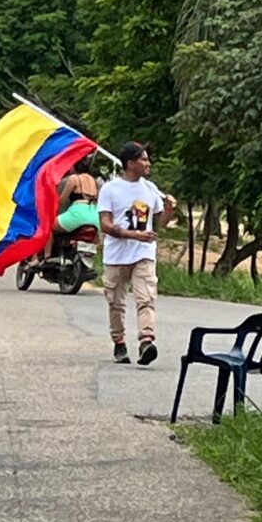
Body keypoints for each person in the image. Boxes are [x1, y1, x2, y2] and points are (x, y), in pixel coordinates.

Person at [98, 142, 176, 366]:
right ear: (130, 164)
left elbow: (159, 222)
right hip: (116, 255)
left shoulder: (150, 189)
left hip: (144, 253)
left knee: (146, 298)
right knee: (116, 302)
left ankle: (146, 341)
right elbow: (105, 224)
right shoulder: (110, 189)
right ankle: (119, 342)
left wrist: (169, 210)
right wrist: (133, 235)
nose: (147, 163)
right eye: (143, 159)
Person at [37, 158, 100, 262]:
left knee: (47, 226)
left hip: (77, 214)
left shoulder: (74, 179)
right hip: (94, 215)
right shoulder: (93, 180)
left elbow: (62, 200)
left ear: (74, 167)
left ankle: (47, 255)